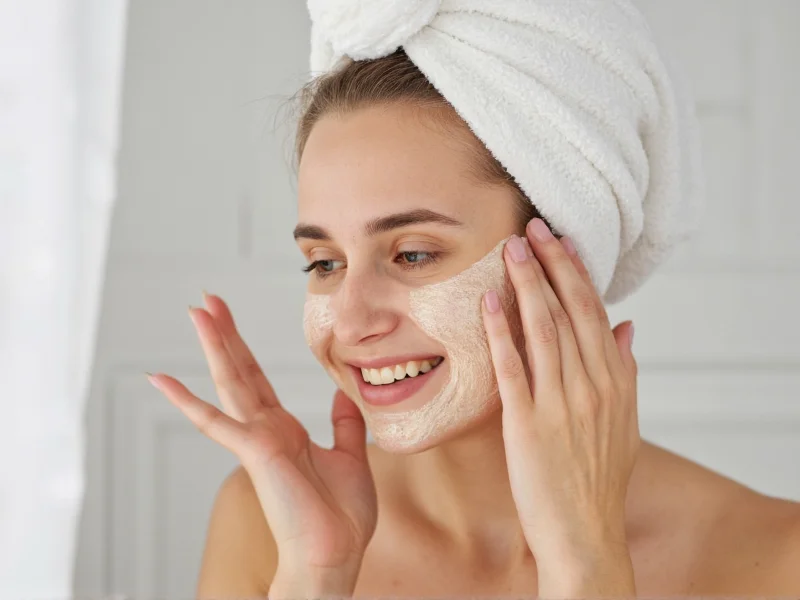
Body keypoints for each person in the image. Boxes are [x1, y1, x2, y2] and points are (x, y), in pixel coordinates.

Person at [148, 2, 800, 598]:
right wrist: (317, 576)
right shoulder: (272, 525)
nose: (349, 321)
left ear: (559, 257)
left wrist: (587, 566)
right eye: (325, 263)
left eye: (413, 254)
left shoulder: (776, 560)